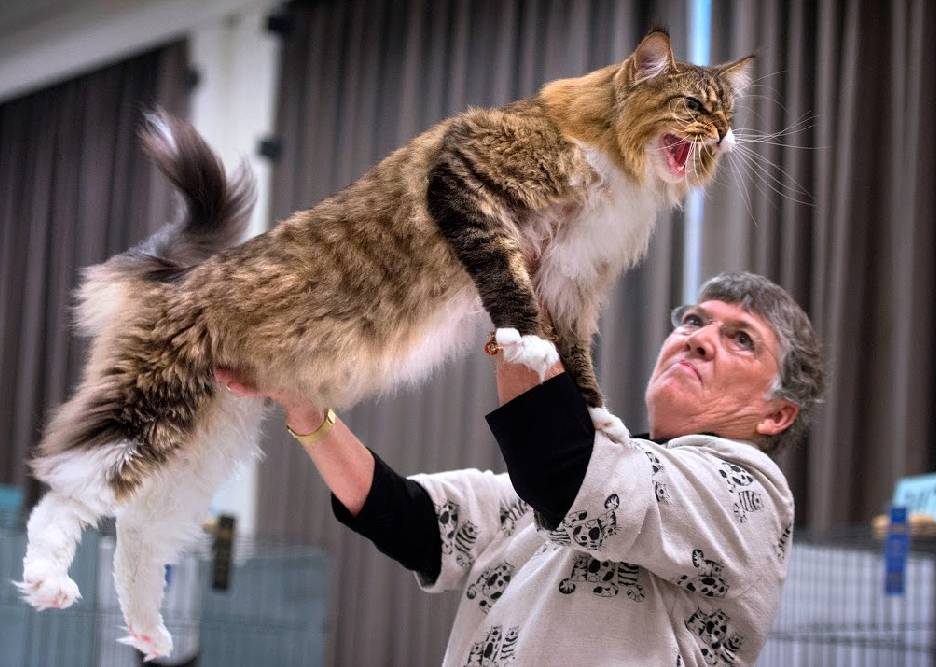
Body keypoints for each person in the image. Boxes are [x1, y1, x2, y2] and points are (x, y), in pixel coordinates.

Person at [216, 271, 823, 666]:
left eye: (741, 339)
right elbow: (409, 518)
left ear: (776, 414)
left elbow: (564, 470)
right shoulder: (616, 474)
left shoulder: (748, 493)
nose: (698, 338)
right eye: (693, 320)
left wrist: (515, 283)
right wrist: (304, 409)